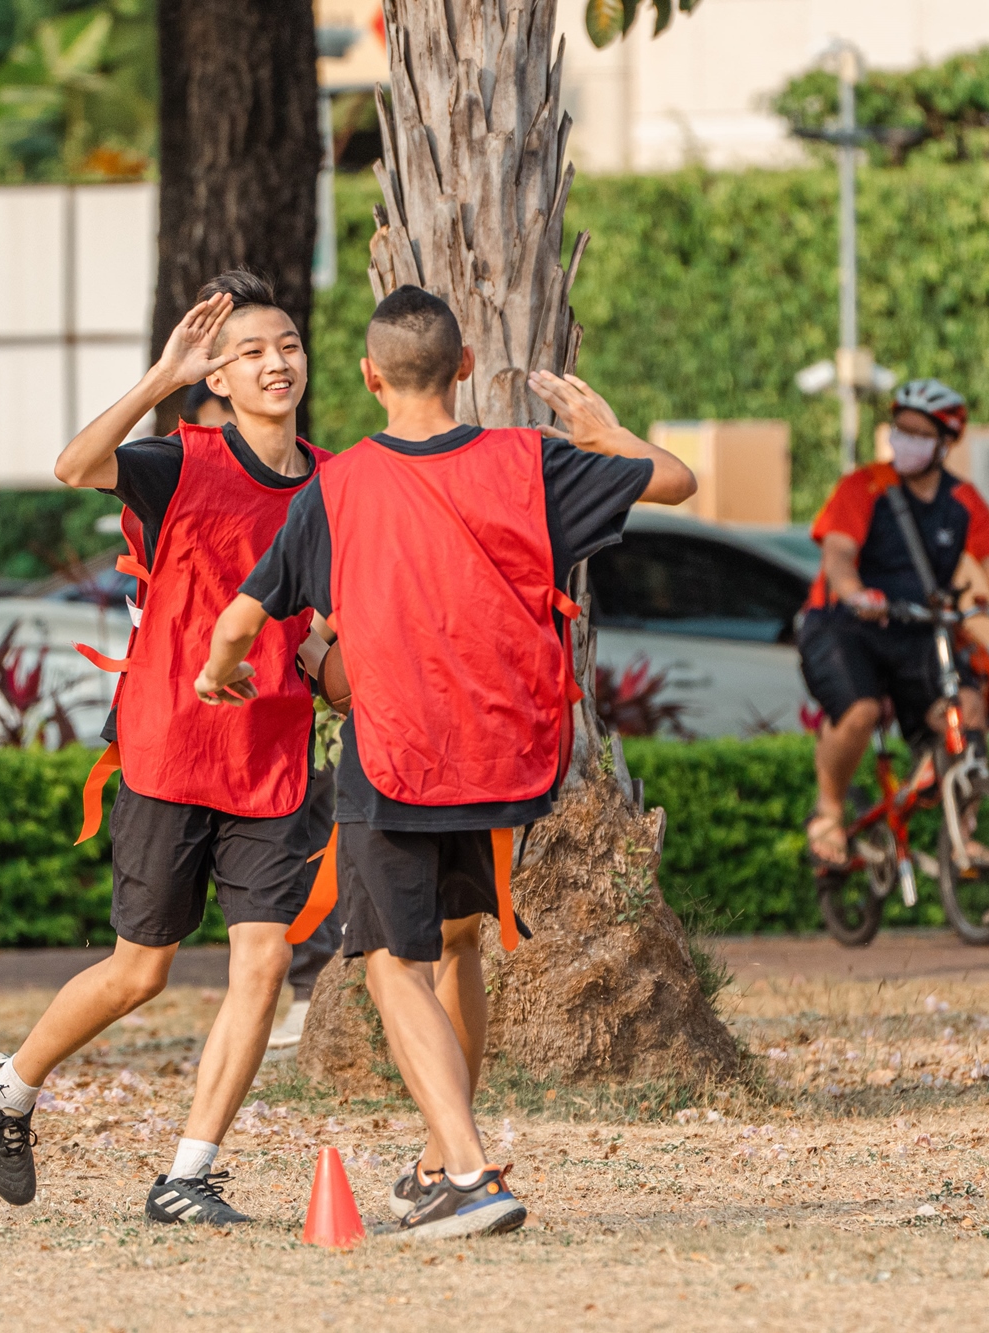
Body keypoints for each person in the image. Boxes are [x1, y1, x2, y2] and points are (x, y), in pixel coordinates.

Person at [192, 285, 696, 1239]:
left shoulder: (337, 487)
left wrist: (219, 674)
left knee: (393, 966)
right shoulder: (531, 460)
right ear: (465, 367)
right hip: (500, 759)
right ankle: (437, 1156)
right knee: (459, 941)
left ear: (368, 377)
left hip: (395, 760)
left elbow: (241, 619)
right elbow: (674, 481)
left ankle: (468, 1173)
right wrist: (606, 432)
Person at [0, 271, 330, 1226]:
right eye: (251, 351)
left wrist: (333, 660)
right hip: (170, 745)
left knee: (263, 964)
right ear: (220, 376)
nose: (276, 363)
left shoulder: (337, 483)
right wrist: (161, 377)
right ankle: (9, 1085)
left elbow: (334, 630)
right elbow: (74, 465)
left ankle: (187, 1176)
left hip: (273, 760)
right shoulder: (180, 462)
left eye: (288, 344)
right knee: (141, 970)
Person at [177, 369, 341, 1053]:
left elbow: (333, 587)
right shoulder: (192, 488)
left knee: (307, 844)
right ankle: (280, 987)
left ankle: (306, 986)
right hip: (210, 713)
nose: (228, 438)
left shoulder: (315, 483)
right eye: (215, 425)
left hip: (295, 709)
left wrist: (317, 644)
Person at [797, 378, 989, 869]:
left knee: (968, 707)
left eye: (919, 434)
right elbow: (838, 555)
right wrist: (856, 593)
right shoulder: (864, 486)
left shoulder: (962, 500)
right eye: (900, 430)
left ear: (944, 444)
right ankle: (828, 813)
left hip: (919, 630)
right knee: (859, 711)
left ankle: (963, 833)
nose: (906, 442)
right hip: (844, 626)